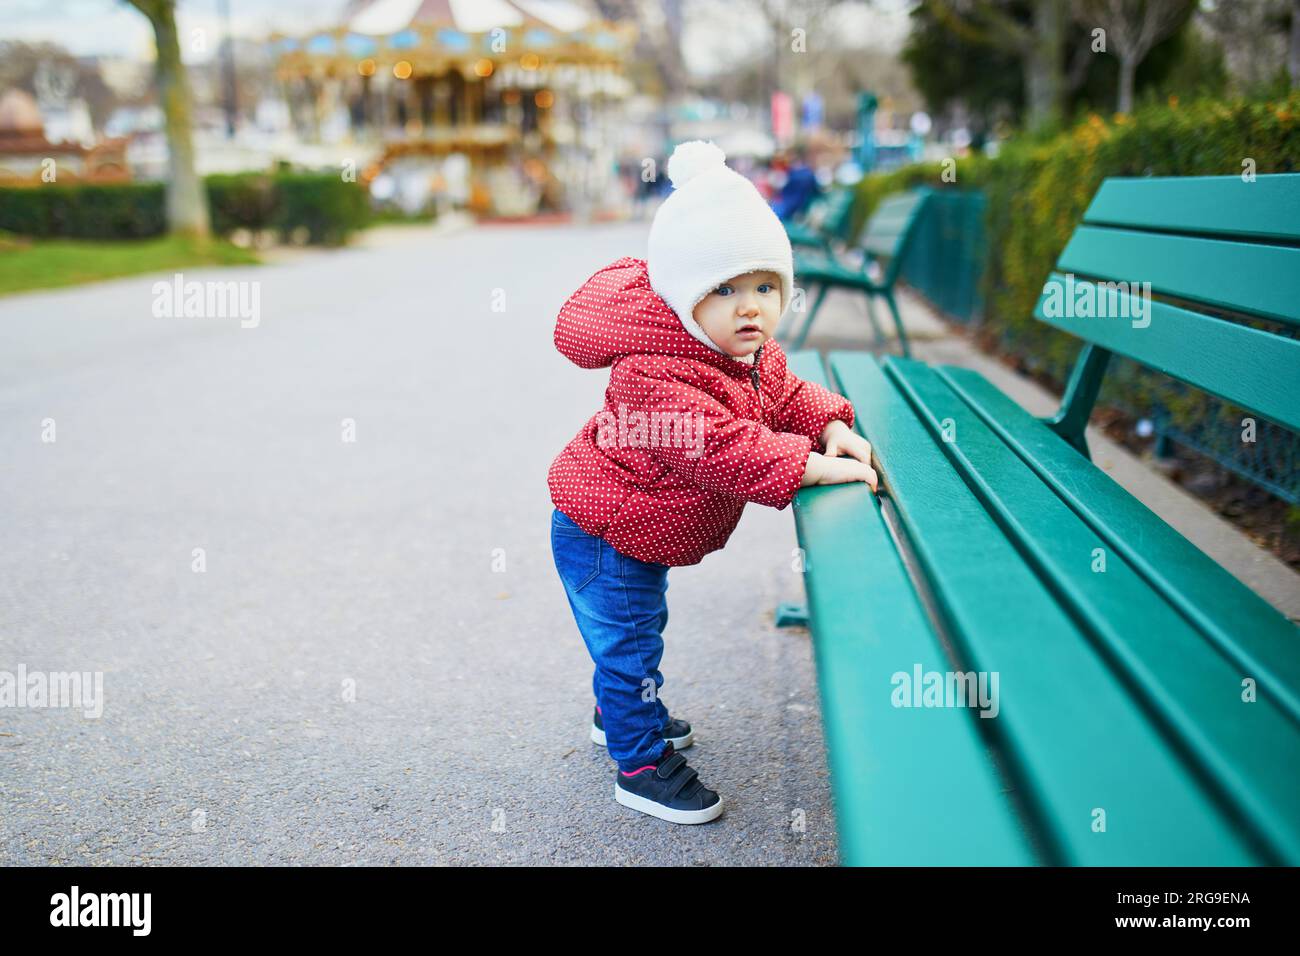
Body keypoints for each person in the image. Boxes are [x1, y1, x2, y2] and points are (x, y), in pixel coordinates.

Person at [547, 140, 877, 824]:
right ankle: (638, 765)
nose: (748, 307)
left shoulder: (742, 351)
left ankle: (622, 714)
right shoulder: (653, 373)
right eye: (723, 290)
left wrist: (831, 426)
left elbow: (785, 396)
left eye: (763, 286)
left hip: (639, 528)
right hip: (603, 533)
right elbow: (720, 448)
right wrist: (806, 468)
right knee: (631, 640)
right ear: (683, 294)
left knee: (638, 631)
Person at [770, 143, 822, 221]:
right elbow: (817, 192)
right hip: (796, 208)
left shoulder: (793, 172)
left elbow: (781, 190)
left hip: (787, 208)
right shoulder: (808, 173)